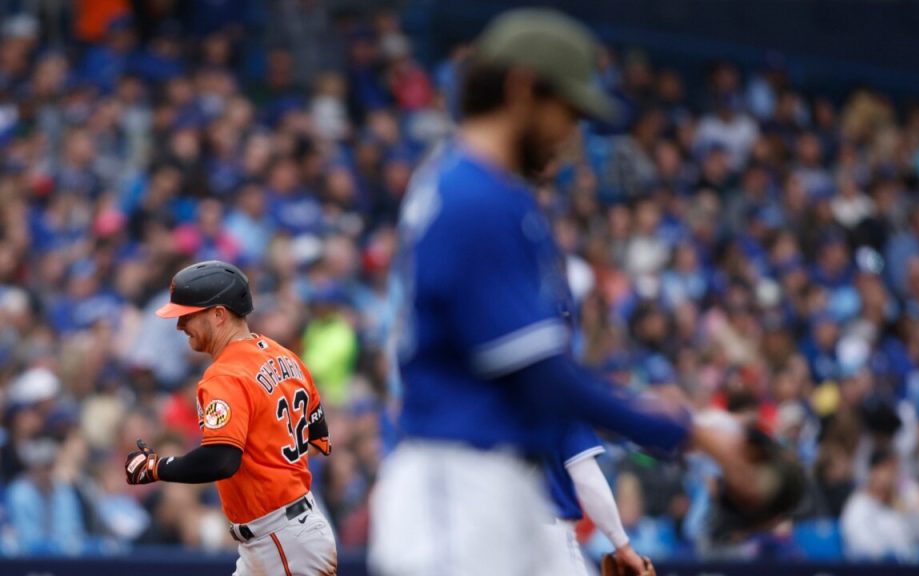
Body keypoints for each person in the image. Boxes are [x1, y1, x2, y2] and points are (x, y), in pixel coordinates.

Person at [368, 9, 793, 576]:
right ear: (521, 88)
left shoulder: (461, 183)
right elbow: (544, 380)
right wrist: (691, 431)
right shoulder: (478, 197)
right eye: (564, 111)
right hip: (459, 489)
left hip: (488, 485)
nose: (570, 134)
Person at [124, 260, 337, 575]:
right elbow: (318, 437)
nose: (180, 326)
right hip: (285, 532)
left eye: (188, 315)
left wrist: (157, 468)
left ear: (218, 314)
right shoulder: (282, 355)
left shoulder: (224, 375)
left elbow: (221, 460)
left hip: (281, 540)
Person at [542, 423, 647, 575]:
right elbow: (588, 480)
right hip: (547, 538)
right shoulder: (558, 405)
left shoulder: (497, 406)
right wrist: (623, 545)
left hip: (501, 534)